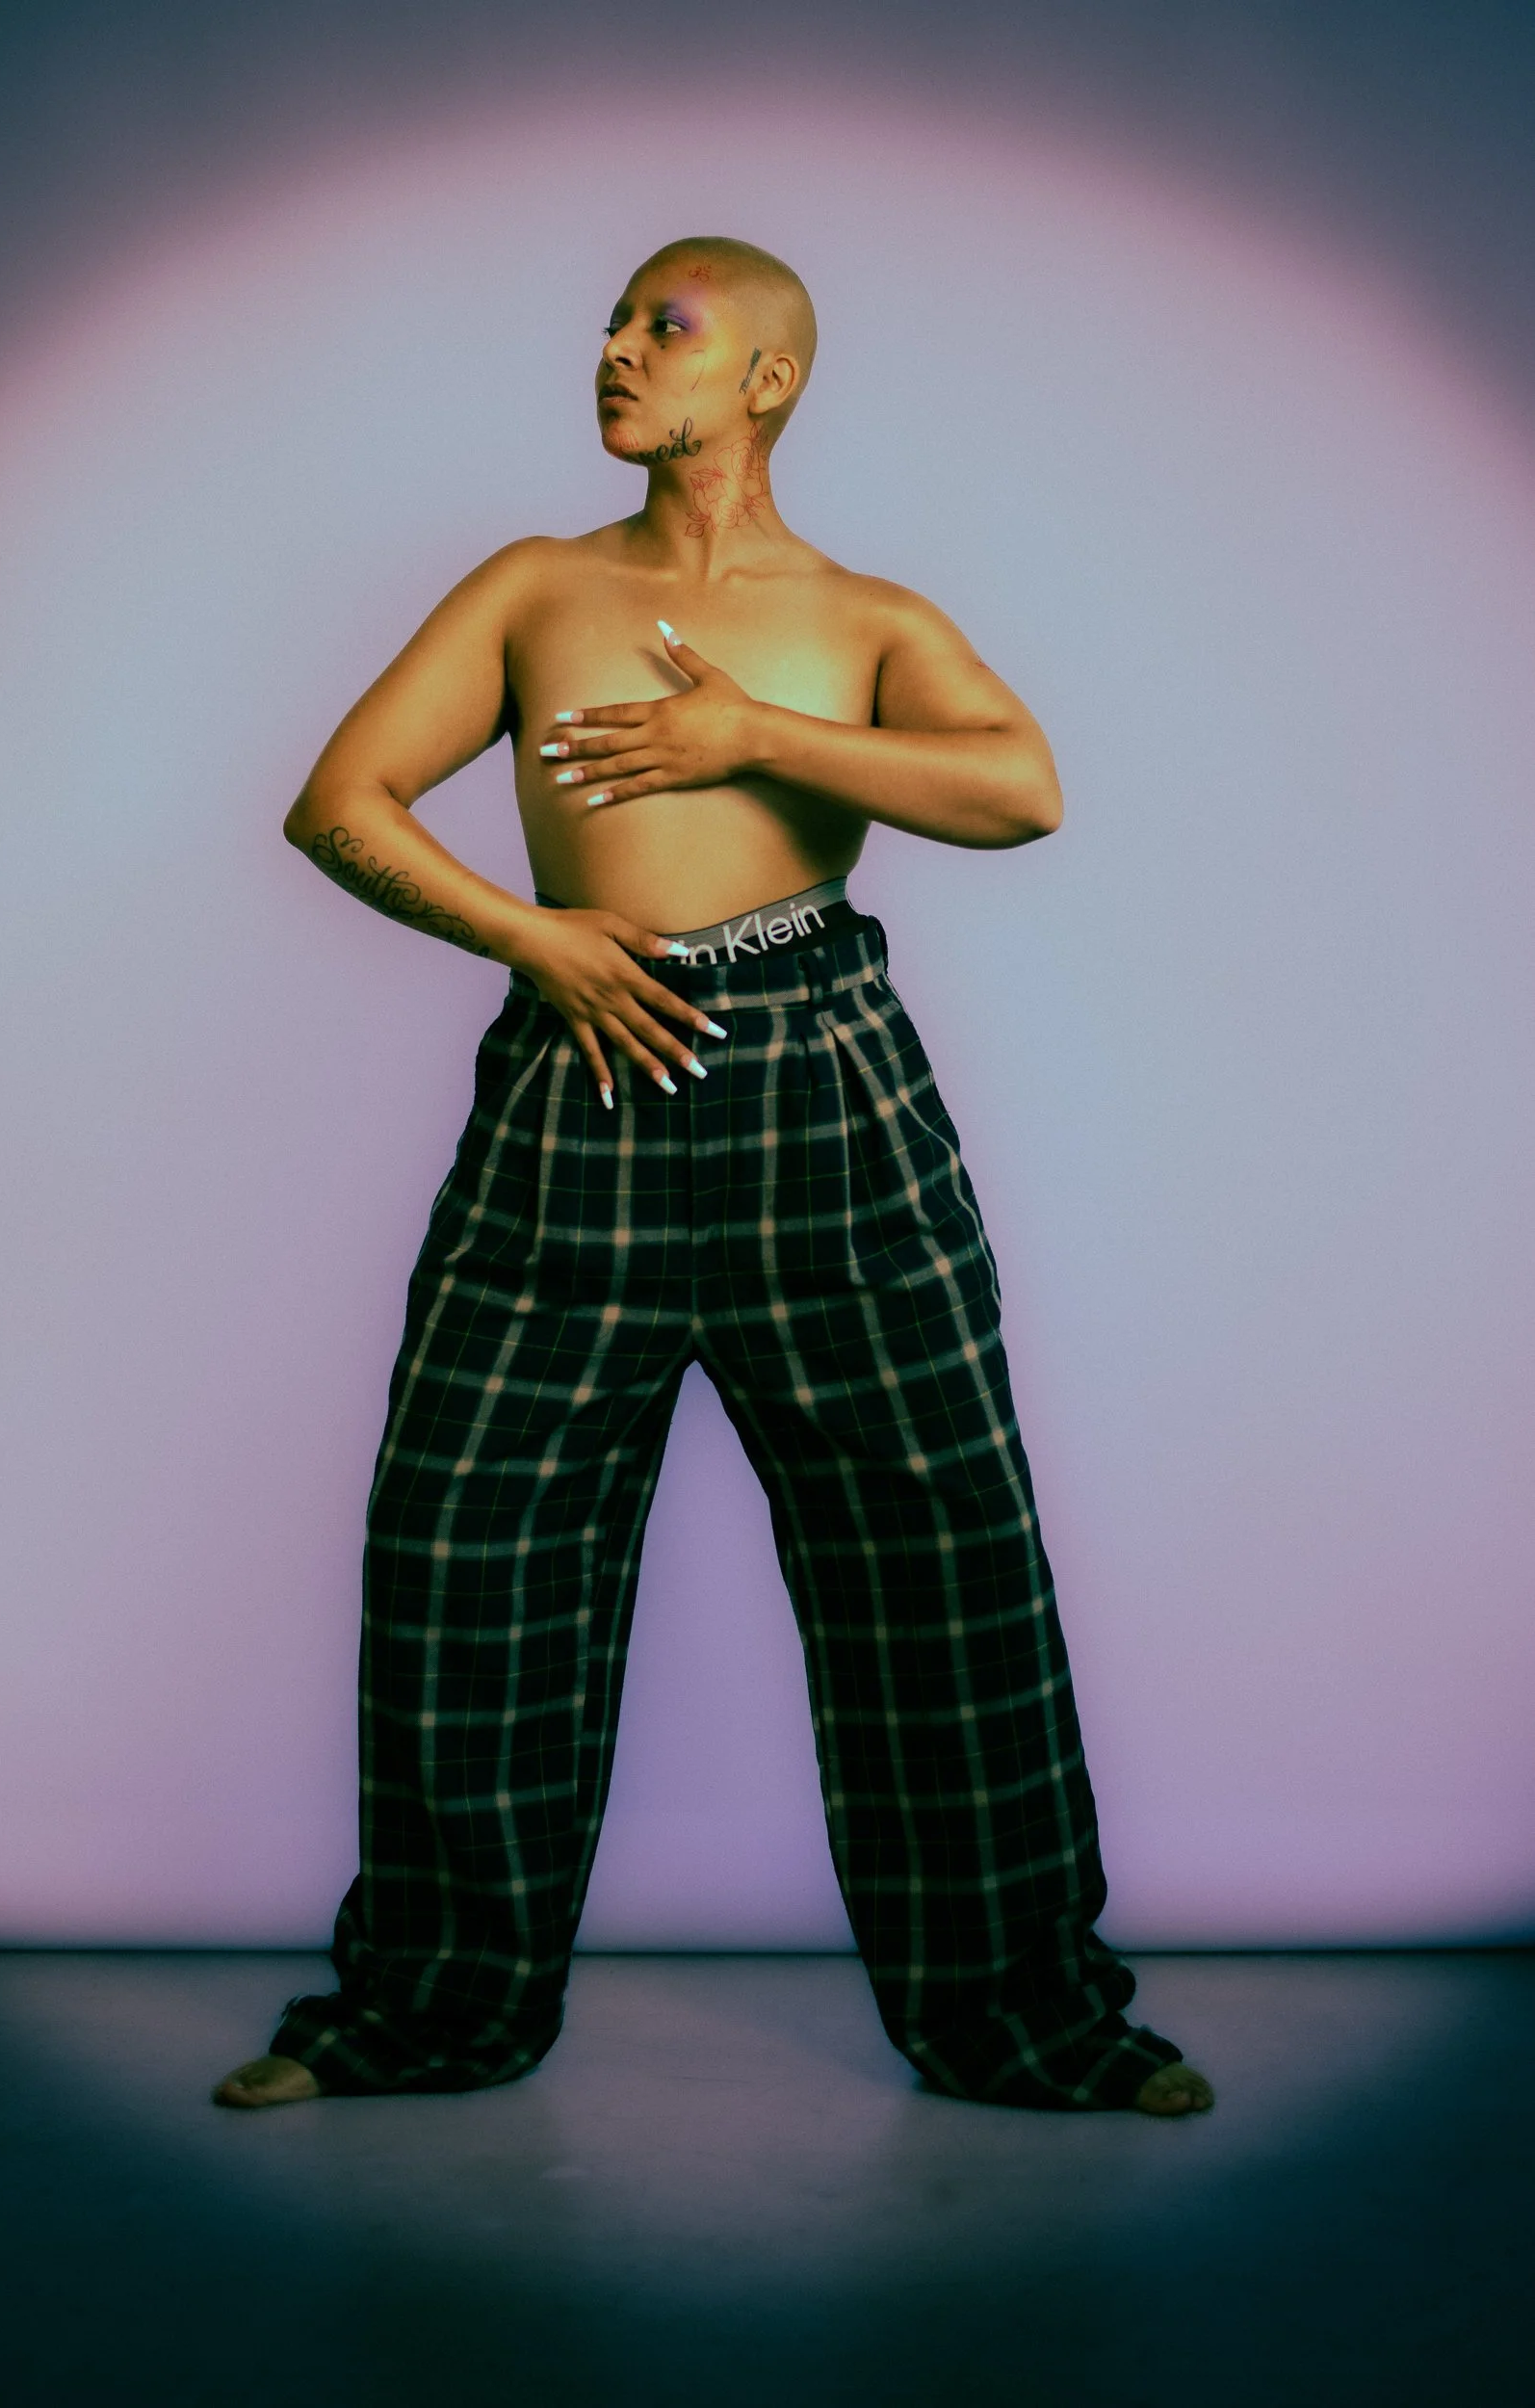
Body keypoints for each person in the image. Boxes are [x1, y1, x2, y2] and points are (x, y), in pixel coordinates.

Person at [214, 235, 1212, 2117]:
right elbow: (338, 802)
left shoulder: (858, 611)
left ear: (762, 377)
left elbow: (1018, 786)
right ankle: (425, 2009)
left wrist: (749, 729)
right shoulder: (531, 582)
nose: (613, 349)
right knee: (462, 1544)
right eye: (606, 320)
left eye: (660, 325)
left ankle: (1030, 2016)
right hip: (578, 1072)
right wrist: (537, 937)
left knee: (937, 1550)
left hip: (818, 1077)